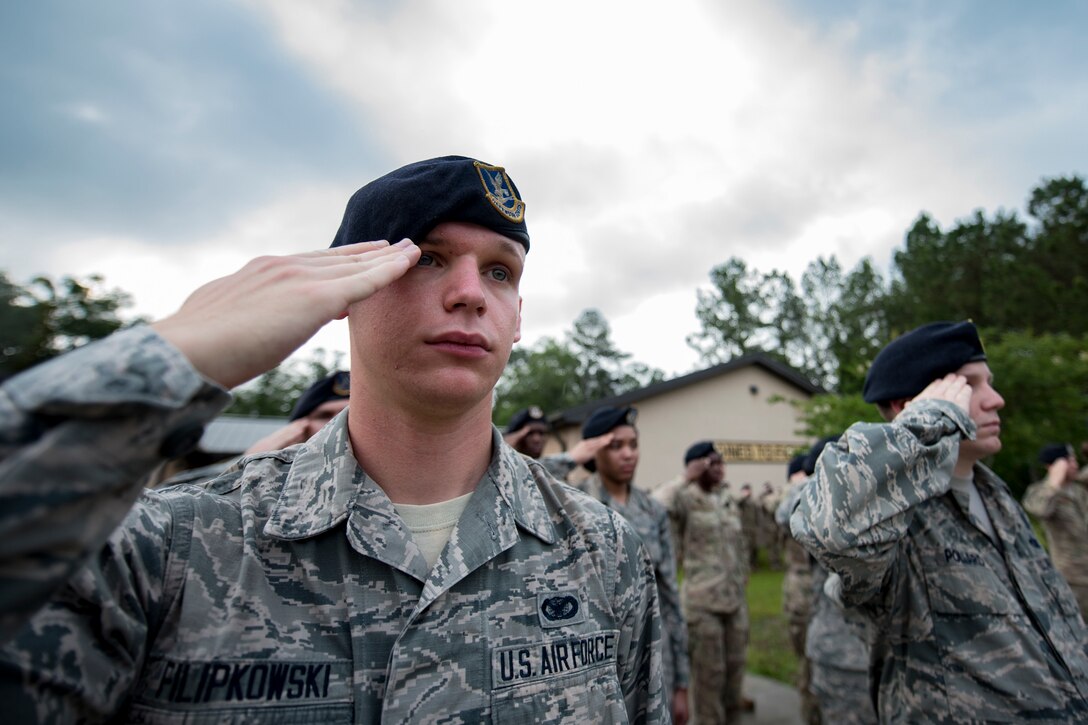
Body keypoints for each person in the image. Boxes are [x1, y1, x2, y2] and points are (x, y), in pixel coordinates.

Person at [0, 156, 665, 722]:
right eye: (429, 258)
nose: (470, 292)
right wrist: (174, 356)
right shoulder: (171, 546)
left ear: (518, 317)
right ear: (345, 287)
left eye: (500, 271)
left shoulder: (603, 548)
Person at [790, 320, 1088, 722]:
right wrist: (927, 421)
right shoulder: (896, 515)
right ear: (909, 404)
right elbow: (827, 527)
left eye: (990, 382)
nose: (995, 399)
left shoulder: (994, 494)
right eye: (970, 384)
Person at [575, 406, 690, 725]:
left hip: (651, 657)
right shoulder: (572, 506)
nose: (628, 454)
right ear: (593, 451)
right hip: (593, 660)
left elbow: (669, 594)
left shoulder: (653, 511)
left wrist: (681, 682)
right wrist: (572, 457)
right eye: (615, 446)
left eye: (633, 445)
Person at [667, 440, 752, 724]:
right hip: (703, 606)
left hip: (735, 602)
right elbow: (655, 505)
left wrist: (743, 575)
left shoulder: (727, 497)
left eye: (721, 462)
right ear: (697, 466)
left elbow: (740, 544)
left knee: (735, 677)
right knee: (708, 682)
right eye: (711, 463)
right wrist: (685, 477)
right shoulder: (685, 497)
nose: (719, 468)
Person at [158, 370, 352, 487]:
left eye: (348, 412)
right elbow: (166, 503)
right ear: (298, 427)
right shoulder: (264, 474)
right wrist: (249, 462)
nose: (336, 423)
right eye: (324, 416)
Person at [1023, 442, 1088, 618]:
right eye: (1069, 460)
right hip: (1072, 581)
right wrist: (1054, 482)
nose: (1075, 464)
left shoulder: (1081, 488)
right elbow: (1039, 508)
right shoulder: (1043, 492)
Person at [502, 406, 614, 481]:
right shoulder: (506, 472)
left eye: (541, 433)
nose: (537, 439)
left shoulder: (555, 476)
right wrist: (571, 457)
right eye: (529, 433)